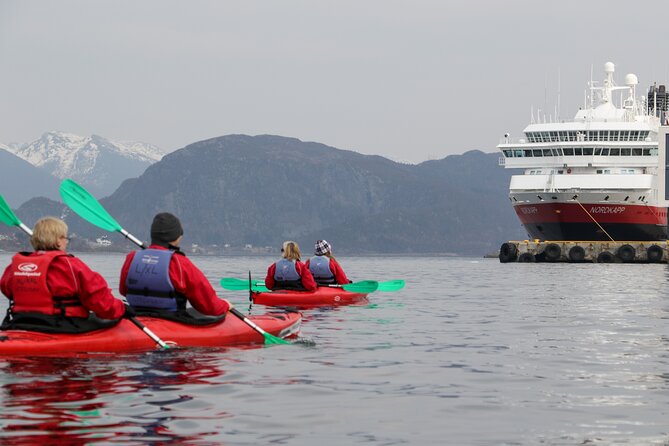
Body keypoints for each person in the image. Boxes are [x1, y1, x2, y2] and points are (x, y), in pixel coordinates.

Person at [0, 217, 129, 333]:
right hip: (61, 325)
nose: (66, 242)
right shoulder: (70, 265)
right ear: (58, 240)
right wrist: (121, 309)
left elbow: (6, 289)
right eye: (65, 238)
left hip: (21, 321)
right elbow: (99, 299)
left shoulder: (14, 266)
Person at [119, 212, 230, 319]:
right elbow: (209, 306)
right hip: (172, 319)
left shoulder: (132, 257)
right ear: (177, 237)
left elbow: (123, 291)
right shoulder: (179, 263)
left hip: (137, 317)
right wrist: (225, 305)